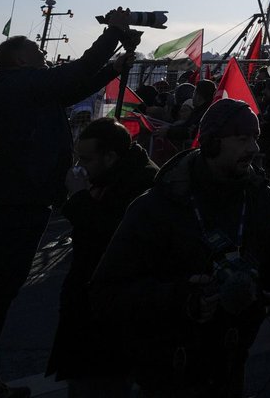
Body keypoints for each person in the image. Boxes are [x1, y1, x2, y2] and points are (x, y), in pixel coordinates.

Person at [91, 98, 270, 397]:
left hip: (231, 361)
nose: (254, 148)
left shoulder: (259, 197)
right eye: (242, 139)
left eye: (254, 138)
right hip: (168, 369)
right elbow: (107, 292)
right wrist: (181, 298)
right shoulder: (158, 205)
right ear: (213, 142)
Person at [0, 10, 135, 398]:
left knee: (3, 289)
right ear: (19, 59)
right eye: (35, 49)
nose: (43, 53)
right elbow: (75, 73)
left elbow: (72, 88)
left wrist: (114, 68)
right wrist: (113, 33)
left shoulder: (24, 89)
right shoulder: (18, 83)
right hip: (14, 206)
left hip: (21, 202)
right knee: (0, 289)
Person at [48, 117, 158, 397]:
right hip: (91, 309)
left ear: (110, 157)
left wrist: (79, 198)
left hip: (111, 319)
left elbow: (107, 238)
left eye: (86, 159)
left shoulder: (141, 184)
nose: (80, 166)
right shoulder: (109, 176)